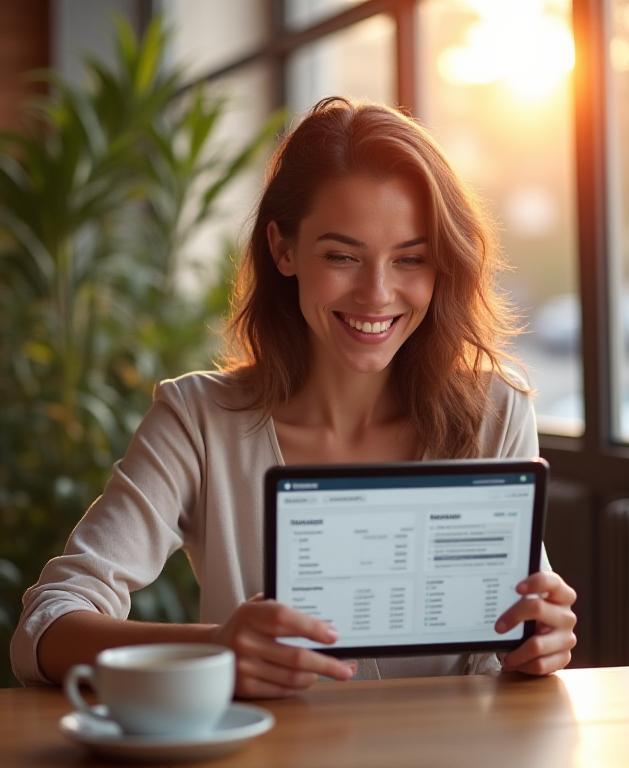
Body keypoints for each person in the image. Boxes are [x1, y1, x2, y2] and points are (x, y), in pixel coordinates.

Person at [11, 97, 577, 696]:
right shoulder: (199, 421)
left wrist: (541, 637)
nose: (377, 293)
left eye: (411, 259)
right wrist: (214, 649)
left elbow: (524, 619)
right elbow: (44, 626)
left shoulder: (496, 412)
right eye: (341, 256)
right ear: (284, 250)